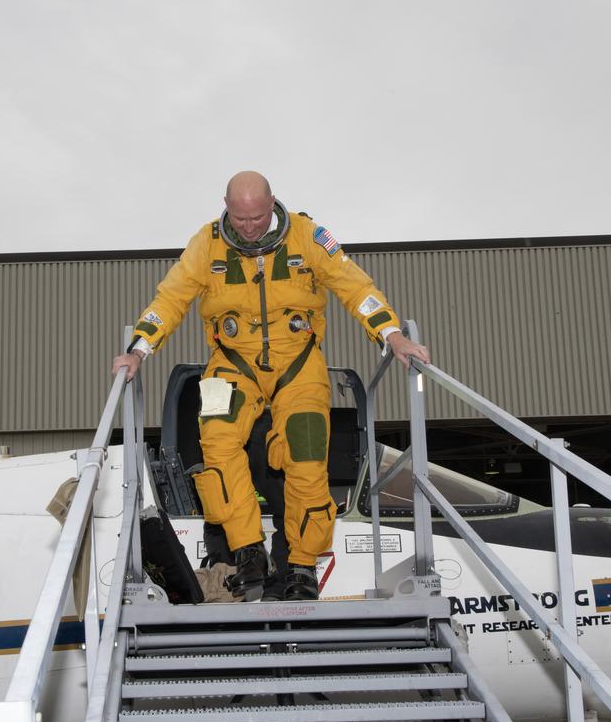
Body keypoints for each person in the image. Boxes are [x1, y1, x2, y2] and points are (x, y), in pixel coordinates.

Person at [112, 171, 430, 601]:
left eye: (257, 217)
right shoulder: (206, 244)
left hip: (298, 362)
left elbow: (356, 287)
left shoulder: (308, 236)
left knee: (306, 456)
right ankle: (248, 551)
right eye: (240, 218)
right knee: (216, 442)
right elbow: (169, 299)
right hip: (232, 362)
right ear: (226, 206)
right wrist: (138, 350)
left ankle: (301, 565)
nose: (249, 227)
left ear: (273, 202)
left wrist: (392, 335)